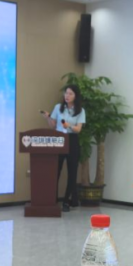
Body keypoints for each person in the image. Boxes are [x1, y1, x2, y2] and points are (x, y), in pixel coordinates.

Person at [41, 84, 85, 212]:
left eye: (70, 93)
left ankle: (66, 201)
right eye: (66, 93)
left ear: (76, 96)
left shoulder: (80, 110)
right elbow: (53, 126)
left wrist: (68, 126)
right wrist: (48, 118)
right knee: (55, 171)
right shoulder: (58, 107)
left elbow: (78, 129)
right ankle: (52, 199)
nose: (67, 96)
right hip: (59, 140)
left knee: (72, 172)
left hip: (72, 140)